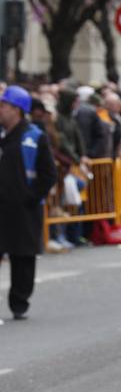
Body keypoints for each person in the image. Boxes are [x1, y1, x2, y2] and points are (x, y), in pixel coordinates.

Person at [0, 86, 57, 320]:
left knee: (22, 257)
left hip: (24, 209)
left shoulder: (34, 136)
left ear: (17, 110)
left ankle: (19, 301)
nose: (0, 110)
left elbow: (49, 174)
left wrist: (31, 197)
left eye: (3, 106)